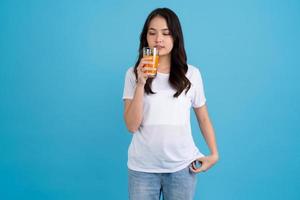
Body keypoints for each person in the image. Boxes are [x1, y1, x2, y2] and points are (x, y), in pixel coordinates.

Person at [122, 7, 219, 200]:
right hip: (142, 169)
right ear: (146, 38)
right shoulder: (133, 74)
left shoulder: (191, 74)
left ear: (176, 37)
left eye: (166, 33)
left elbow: (203, 117)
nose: (159, 39)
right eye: (153, 33)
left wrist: (214, 154)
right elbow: (131, 126)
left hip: (181, 169)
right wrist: (141, 83)